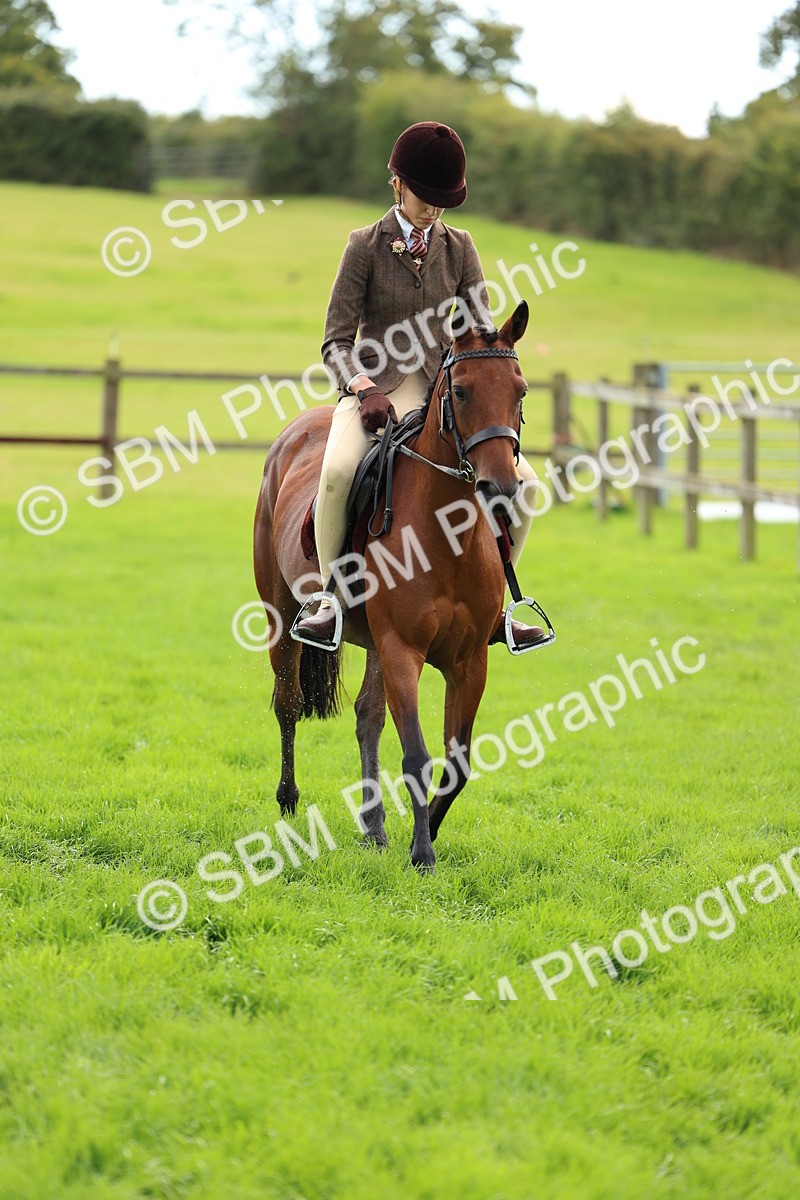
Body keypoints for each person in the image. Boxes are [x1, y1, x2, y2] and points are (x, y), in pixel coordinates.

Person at [293, 120, 547, 651]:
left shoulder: (461, 247)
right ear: (397, 187)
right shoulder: (363, 245)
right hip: (375, 394)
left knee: (528, 486)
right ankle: (328, 600)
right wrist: (362, 388)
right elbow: (335, 341)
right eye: (424, 197)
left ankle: (500, 606)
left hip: (444, 396)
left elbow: (479, 332)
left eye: (442, 201)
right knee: (337, 472)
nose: (432, 210)